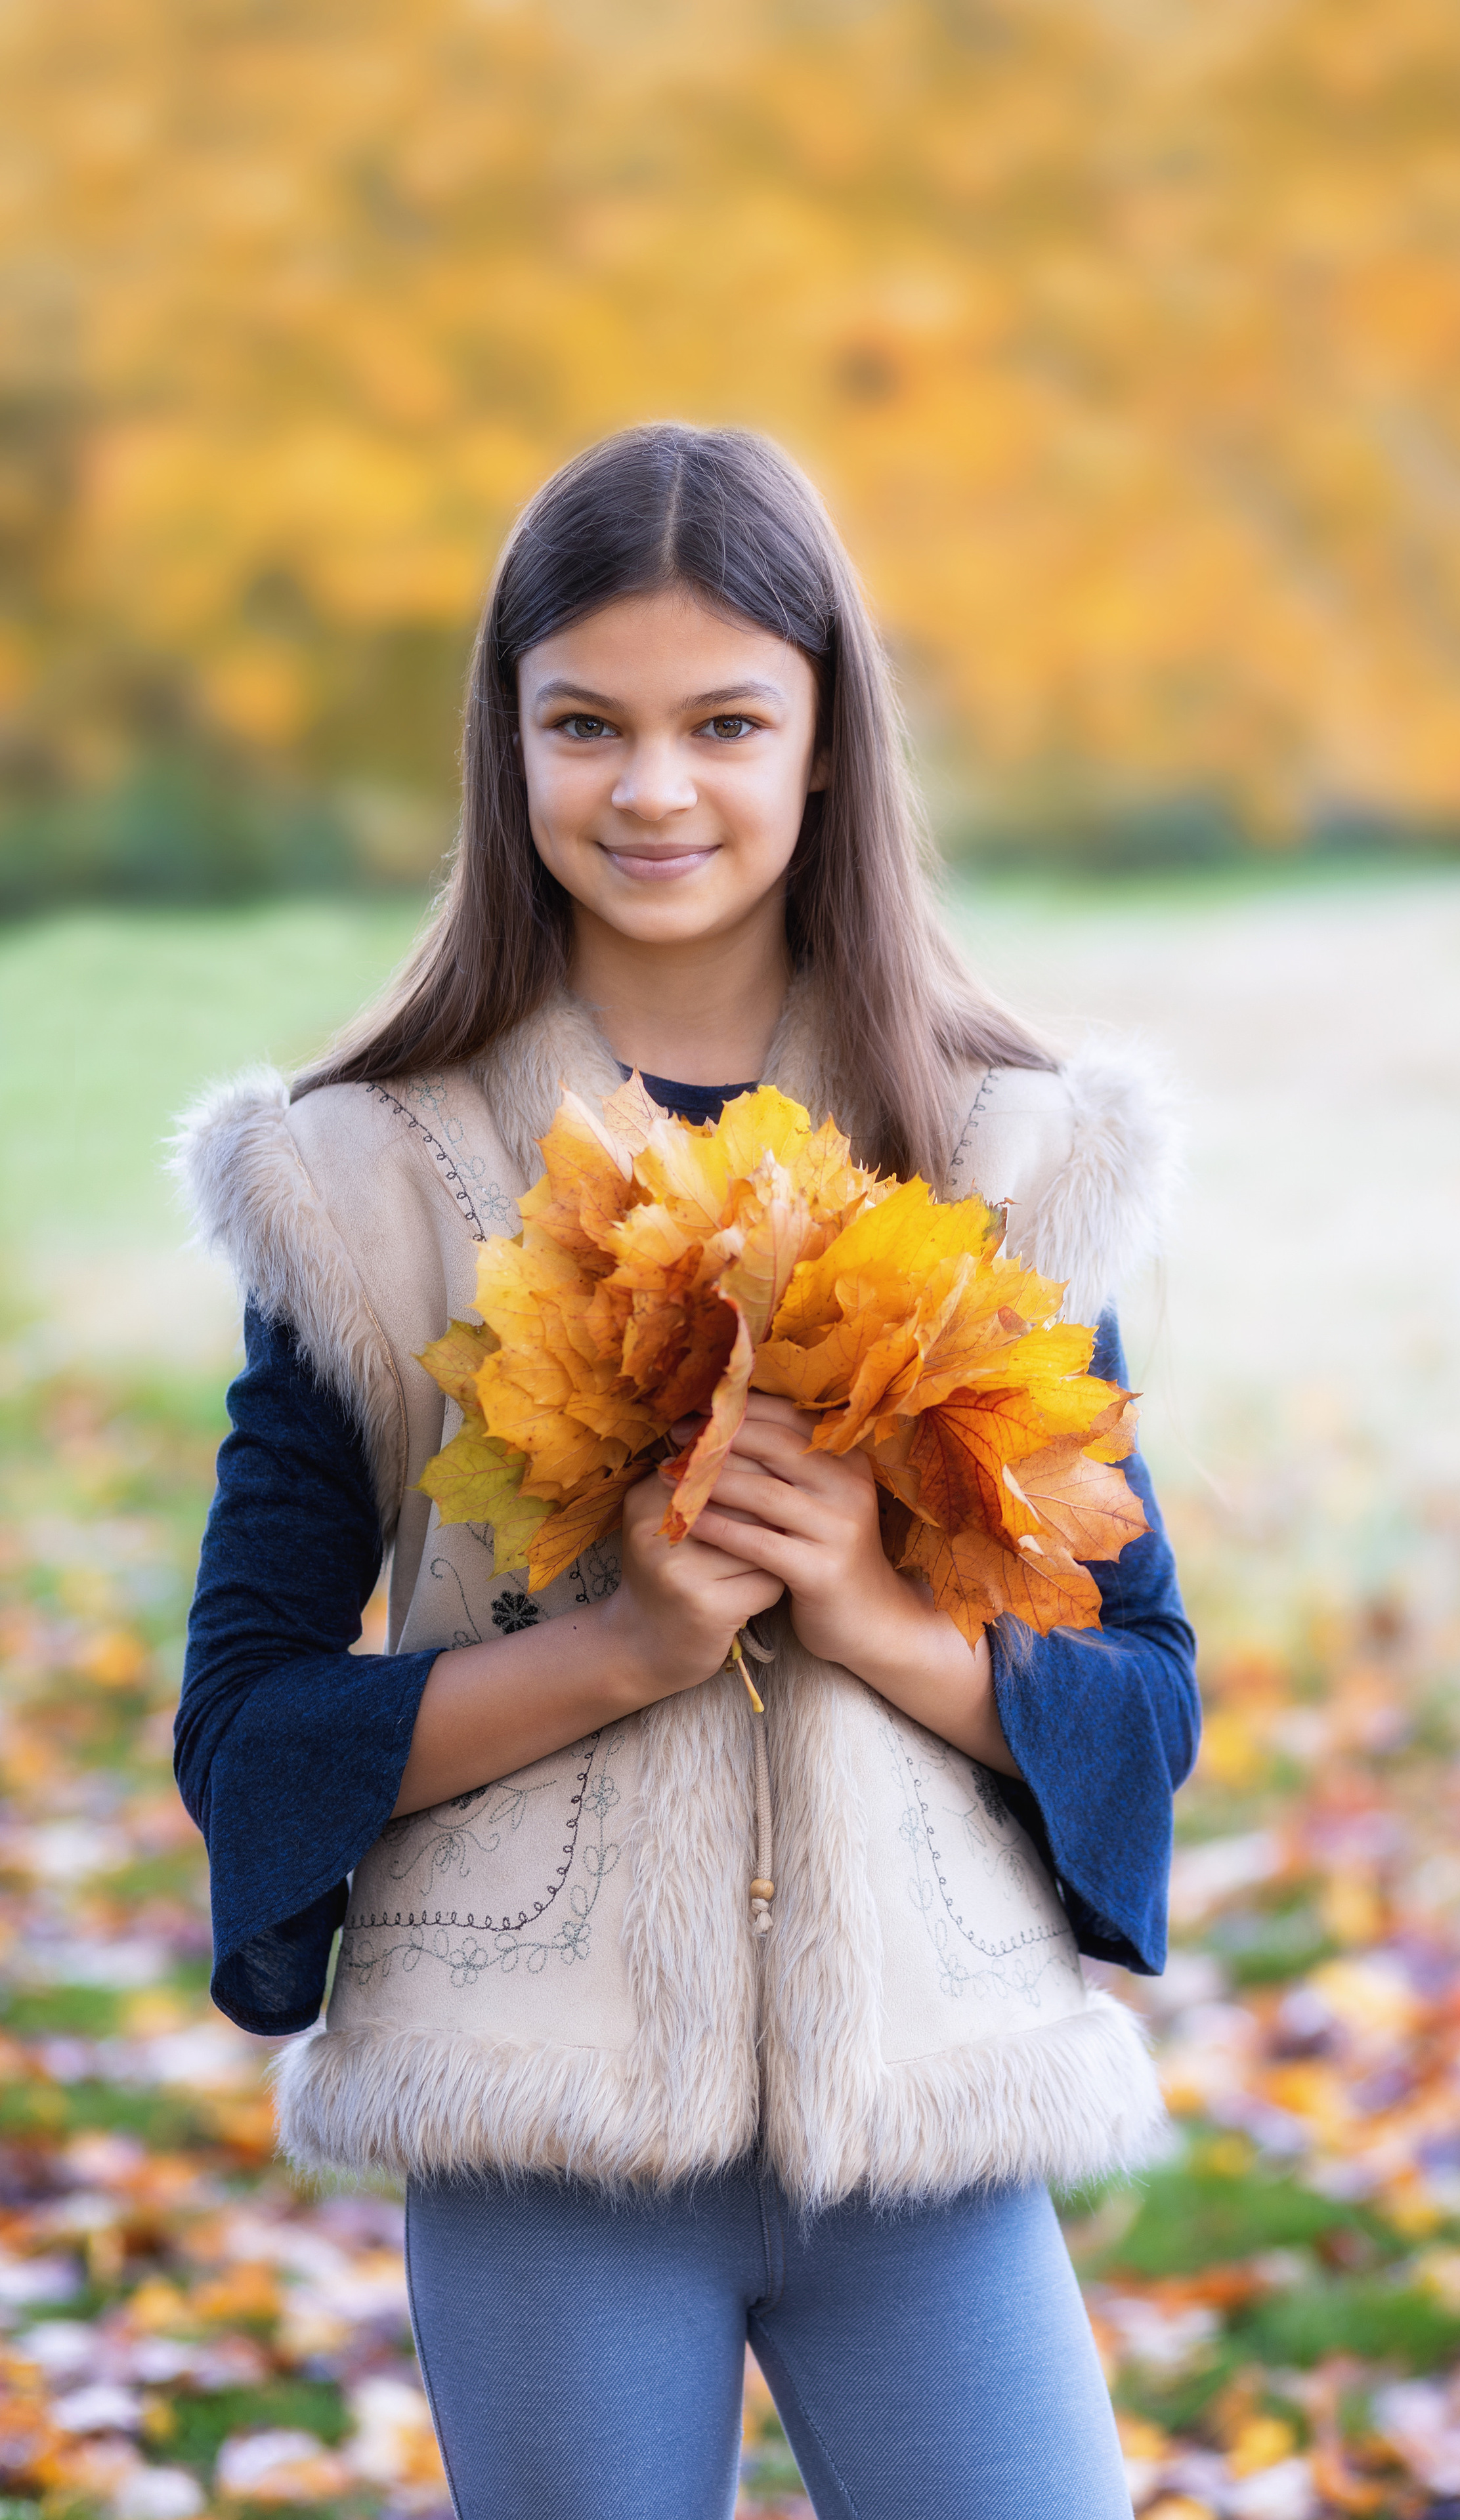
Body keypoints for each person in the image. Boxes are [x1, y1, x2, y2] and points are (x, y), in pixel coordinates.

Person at [175, 423, 1199, 2520]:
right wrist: (623, 1647)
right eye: (589, 726)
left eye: (726, 721)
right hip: (542, 2134)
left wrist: (876, 1618)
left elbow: (1147, 1693)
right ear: (510, 743)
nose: (655, 788)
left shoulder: (997, 1162)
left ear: (826, 743)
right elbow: (248, 1732)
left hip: (932, 2119)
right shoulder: (366, 1185)